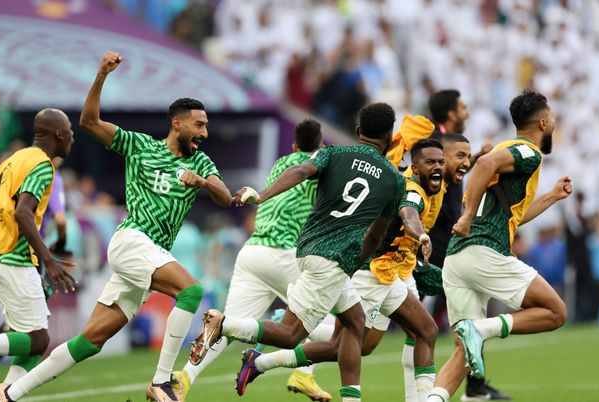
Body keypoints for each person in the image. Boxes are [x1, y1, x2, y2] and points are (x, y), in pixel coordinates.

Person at [0, 51, 235, 402]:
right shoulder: (139, 146)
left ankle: (12, 392)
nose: (205, 132)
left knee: (89, 342)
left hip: (151, 253)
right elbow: (90, 121)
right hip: (132, 241)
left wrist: (202, 181)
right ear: (177, 123)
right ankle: (162, 381)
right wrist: (102, 75)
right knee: (192, 292)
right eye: (199, 125)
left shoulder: (201, 161)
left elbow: (225, 197)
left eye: (207, 125)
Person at [190, 102, 404, 402]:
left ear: (358, 131)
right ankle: (224, 324)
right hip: (335, 260)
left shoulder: (334, 152)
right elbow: (377, 234)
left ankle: (349, 397)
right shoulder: (395, 180)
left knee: (355, 324)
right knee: (291, 334)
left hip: (306, 248)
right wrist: (355, 263)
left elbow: (302, 169)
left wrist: (262, 195)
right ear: (391, 136)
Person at [234, 139, 447, 402]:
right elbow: (409, 214)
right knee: (353, 345)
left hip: (388, 275)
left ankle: (262, 361)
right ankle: (267, 351)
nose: (438, 167)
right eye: (431, 162)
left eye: (441, 162)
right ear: (415, 167)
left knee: (425, 330)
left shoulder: (420, 186)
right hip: (370, 275)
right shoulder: (412, 191)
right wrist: (423, 237)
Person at [427, 90, 572, 402]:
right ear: (543, 123)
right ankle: (482, 329)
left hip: (458, 257)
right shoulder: (526, 152)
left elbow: (512, 215)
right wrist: (466, 216)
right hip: (483, 251)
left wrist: (551, 197)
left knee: (461, 354)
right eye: (554, 121)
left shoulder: (511, 152)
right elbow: (485, 164)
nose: (555, 126)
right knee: (556, 312)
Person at [172, 119, 331, 402]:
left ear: (293, 145)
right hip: (284, 254)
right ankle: (302, 370)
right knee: (328, 313)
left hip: (253, 252)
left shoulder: (281, 163)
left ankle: (184, 378)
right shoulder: (318, 163)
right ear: (321, 146)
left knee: (227, 327)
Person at [0, 109, 76, 393]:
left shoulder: (11, 162)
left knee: (32, 338)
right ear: (59, 134)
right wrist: (49, 260)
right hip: (13, 256)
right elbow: (23, 213)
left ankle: (7, 393)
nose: (73, 136)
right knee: (37, 340)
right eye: (70, 130)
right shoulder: (41, 164)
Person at [427, 89, 508, 401]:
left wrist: (472, 160)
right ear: (450, 112)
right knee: (383, 322)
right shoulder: (436, 142)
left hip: (446, 236)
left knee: (467, 312)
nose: (467, 110)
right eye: (462, 106)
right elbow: (439, 179)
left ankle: (474, 384)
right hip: (437, 239)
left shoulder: (446, 143)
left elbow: (447, 177)